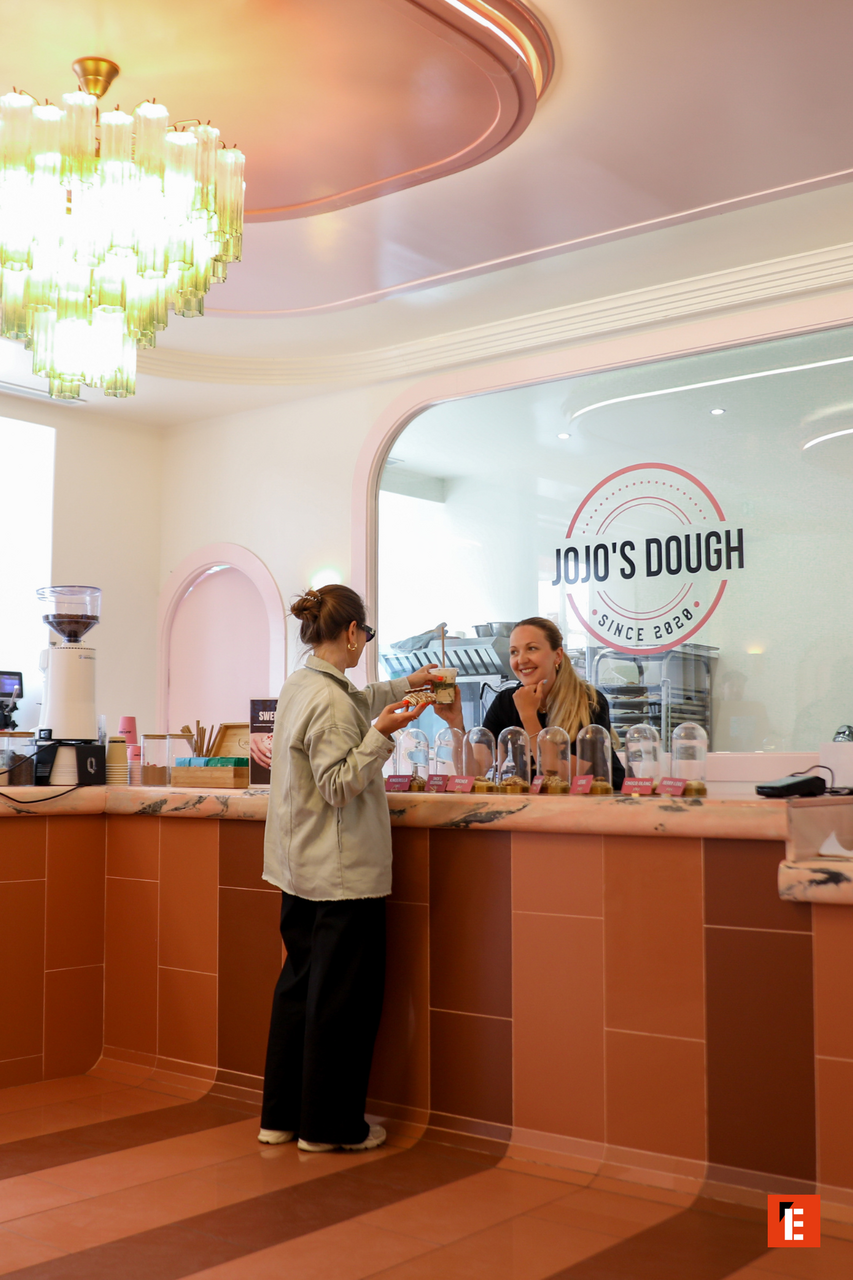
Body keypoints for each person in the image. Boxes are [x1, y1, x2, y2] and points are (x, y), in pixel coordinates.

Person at [259, 584, 436, 1152]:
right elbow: (338, 784)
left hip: (299, 869)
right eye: (367, 636)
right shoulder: (334, 702)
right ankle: (332, 1127)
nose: (366, 647)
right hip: (341, 876)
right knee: (341, 1005)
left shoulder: (304, 683)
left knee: (299, 993)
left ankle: (283, 1118)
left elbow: (356, 702)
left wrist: (408, 686)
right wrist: (383, 736)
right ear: (354, 632)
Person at [436, 615, 625, 789]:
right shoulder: (505, 702)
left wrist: (528, 716)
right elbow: (472, 773)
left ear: (557, 655)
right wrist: (455, 723)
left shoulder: (588, 701)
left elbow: (559, 778)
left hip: (597, 808)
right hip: (537, 810)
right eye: (514, 652)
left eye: (532, 648)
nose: (521, 660)